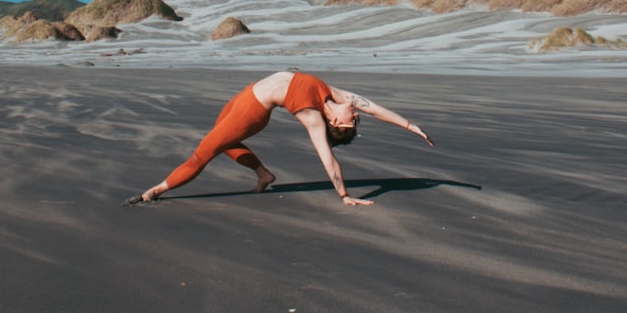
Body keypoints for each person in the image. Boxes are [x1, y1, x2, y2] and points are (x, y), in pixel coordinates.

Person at [129, 71, 433, 206]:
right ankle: (263, 173)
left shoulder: (313, 116)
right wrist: (410, 125)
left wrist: (344, 195)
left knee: (204, 152)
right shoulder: (336, 95)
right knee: (220, 141)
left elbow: (328, 157)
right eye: (355, 118)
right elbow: (376, 108)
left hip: (253, 111)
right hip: (245, 94)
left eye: (353, 122)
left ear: (335, 122)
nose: (357, 115)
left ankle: (154, 191)